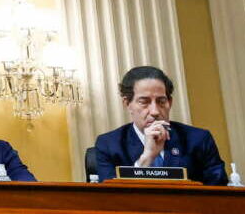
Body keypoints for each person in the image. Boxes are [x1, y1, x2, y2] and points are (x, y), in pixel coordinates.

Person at [93, 66, 227, 185]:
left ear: (170, 102)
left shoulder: (198, 139)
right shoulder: (109, 144)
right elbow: (111, 198)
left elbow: (219, 190)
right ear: (127, 103)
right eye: (144, 102)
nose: (155, 111)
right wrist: (147, 158)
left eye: (161, 101)